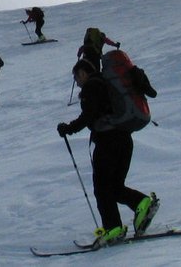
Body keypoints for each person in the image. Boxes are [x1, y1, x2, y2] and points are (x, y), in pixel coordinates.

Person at [56, 60, 158, 248]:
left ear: (83, 73)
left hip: (107, 142)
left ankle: (113, 229)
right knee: (114, 187)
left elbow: (89, 115)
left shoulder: (92, 87)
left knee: (102, 187)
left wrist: (68, 129)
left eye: (76, 77)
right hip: (124, 139)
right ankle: (142, 203)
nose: (76, 82)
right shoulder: (108, 84)